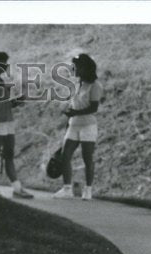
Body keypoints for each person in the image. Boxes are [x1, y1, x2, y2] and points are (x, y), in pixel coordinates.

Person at [0, 51, 33, 199]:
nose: (6, 65)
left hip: (7, 122)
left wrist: (17, 101)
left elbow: (5, 105)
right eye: (3, 62)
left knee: (8, 154)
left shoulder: (1, 81)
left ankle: (16, 188)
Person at [53, 53, 102, 201]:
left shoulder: (95, 86)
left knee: (87, 158)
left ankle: (88, 189)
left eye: (76, 67)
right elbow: (74, 104)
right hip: (74, 124)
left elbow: (94, 108)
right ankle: (67, 188)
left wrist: (75, 112)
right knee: (65, 155)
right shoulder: (76, 85)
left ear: (85, 68)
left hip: (88, 125)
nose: (73, 69)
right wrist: (70, 115)